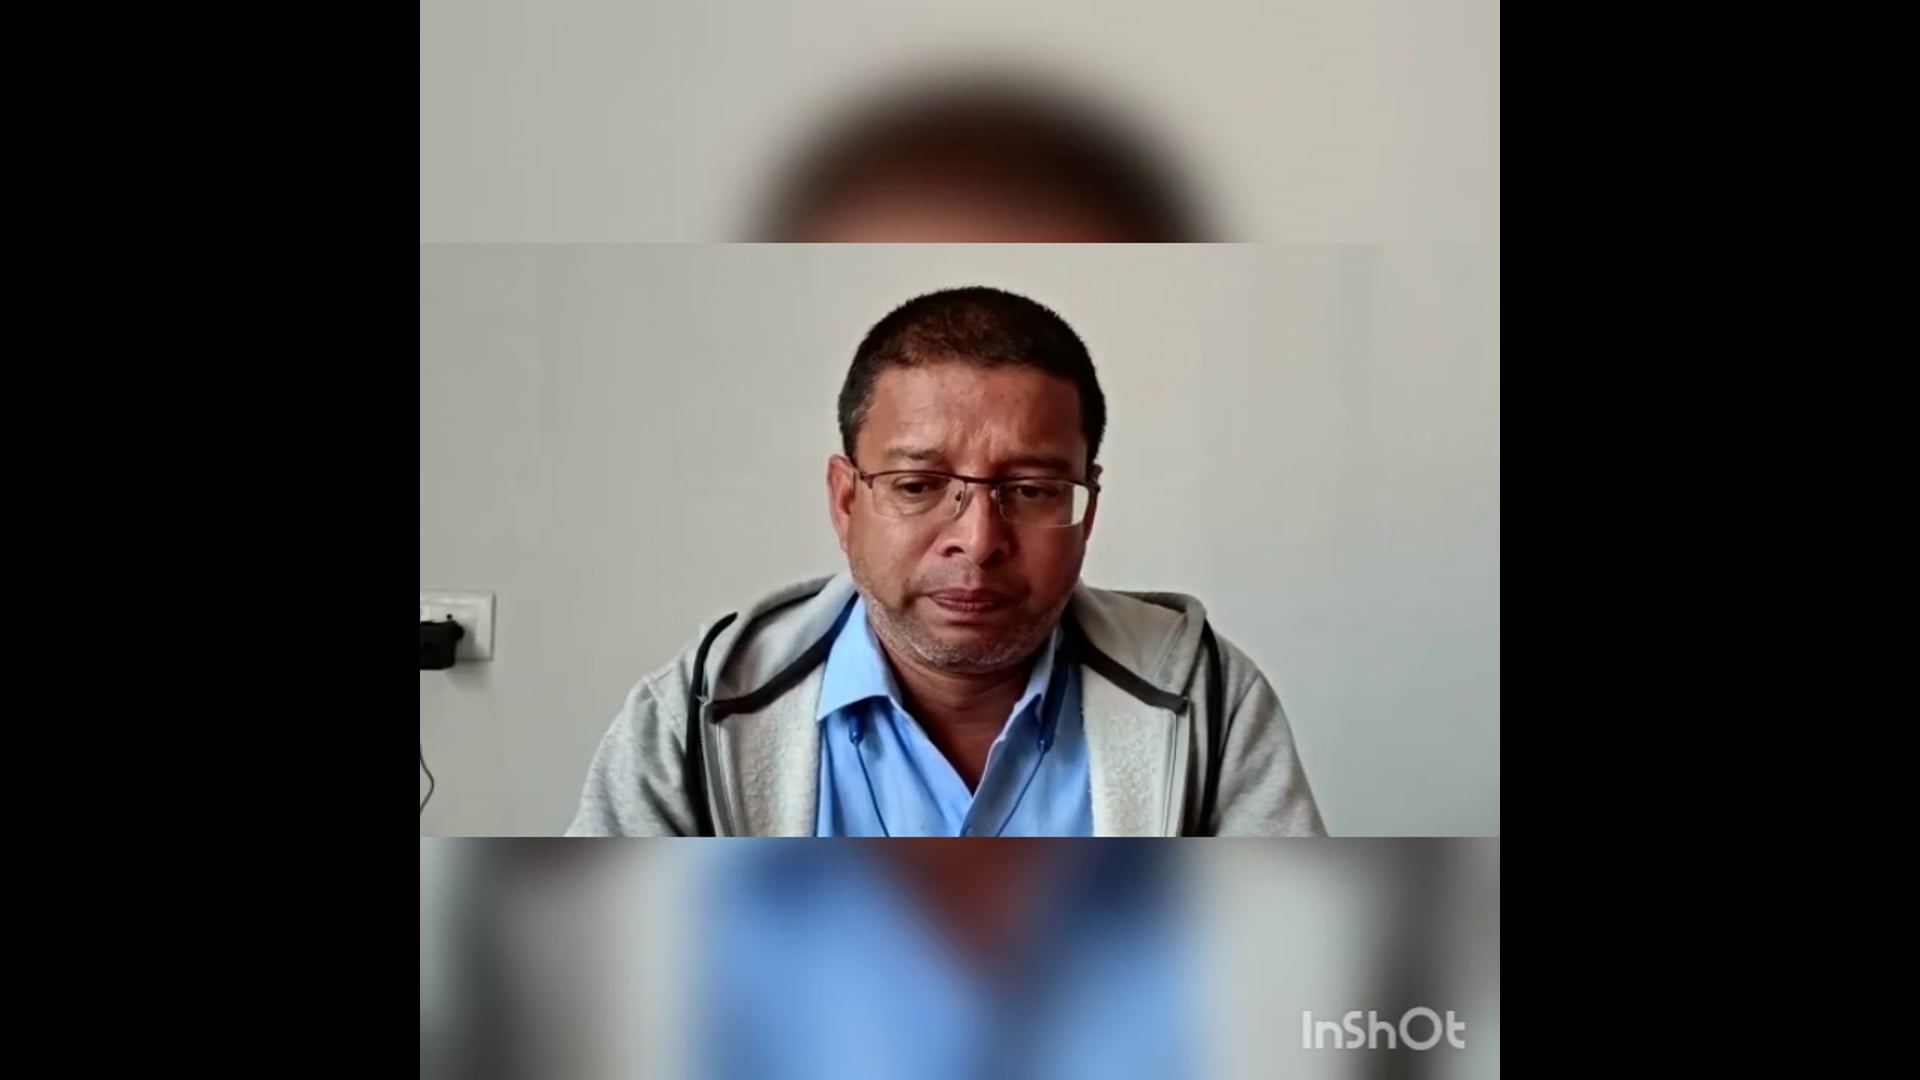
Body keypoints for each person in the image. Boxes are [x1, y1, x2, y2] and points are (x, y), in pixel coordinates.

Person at [566, 285, 1323, 836]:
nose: (978, 539)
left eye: (1031, 489)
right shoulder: (700, 712)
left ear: (1087, 510)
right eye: (919, 485)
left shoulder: (1206, 698)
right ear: (845, 501)